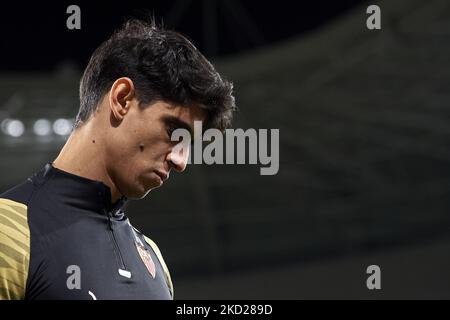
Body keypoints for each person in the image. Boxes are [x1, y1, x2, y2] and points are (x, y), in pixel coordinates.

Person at [0, 19, 235, 300]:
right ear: (122, 99)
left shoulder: (155, 260)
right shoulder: (6, 229)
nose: (181, 161)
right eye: (175, 131)